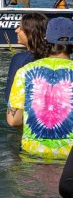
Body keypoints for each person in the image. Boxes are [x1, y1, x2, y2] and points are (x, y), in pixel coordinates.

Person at [7, 17, 73, 159]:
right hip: (69, 157)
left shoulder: (25, 71)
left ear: (46, 39)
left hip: (32, 153)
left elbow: (13, 120)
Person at [4, 13, 48, 102]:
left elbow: (10, 96)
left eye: (20, 28)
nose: (16, 30)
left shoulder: (20, 59)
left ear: (30, 32)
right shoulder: (53, 56)